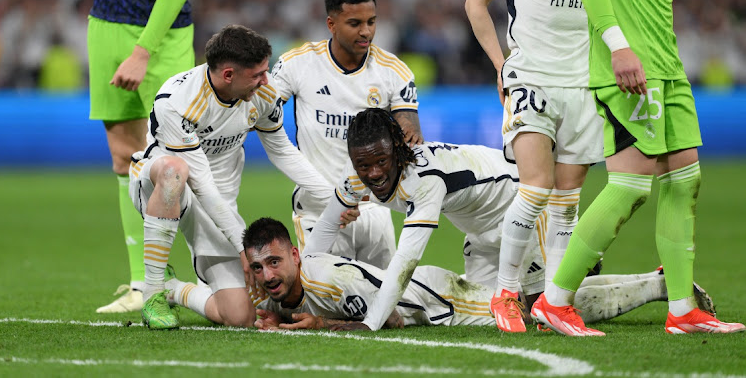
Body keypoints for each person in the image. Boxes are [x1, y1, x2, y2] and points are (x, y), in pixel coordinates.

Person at [530, 0, 745, 336]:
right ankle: (554, 300)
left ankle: (683, 308)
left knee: (686, 179)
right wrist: (618, 47)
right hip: (626, 65)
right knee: (630, 186)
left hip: (667, 64)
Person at [302, 108, 714, 332]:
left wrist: (369, 324)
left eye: (381, 161)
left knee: (543, 310)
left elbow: (405, 264)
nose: (373, 173)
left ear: (398, 149)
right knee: (489, 313)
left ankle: (657, 285)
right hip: (480, 230)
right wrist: (307, 273)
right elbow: (326, 223)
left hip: (522, 206)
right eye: (363, 164)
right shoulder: (359, 175)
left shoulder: (423, 181)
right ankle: (587, 274)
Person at [464, 0, 601, 333]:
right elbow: (476, 3)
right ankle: (505, 294)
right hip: (531, 78)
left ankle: (553, 302)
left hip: (584, 83)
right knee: (536, 186)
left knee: (567, 200)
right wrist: (501, 65)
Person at [128, 25, 333, 329]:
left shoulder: (263, 93)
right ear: (228, 75)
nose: (267, 80)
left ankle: (174, 290)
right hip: (160, 187)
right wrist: (242, 245)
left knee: (239, 317)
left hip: (219, 204)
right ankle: (153, 291)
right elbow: (202, 184)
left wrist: (335, 198)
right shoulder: (177, 101)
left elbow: (282, 151)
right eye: (258, 74)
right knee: (175, 172)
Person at [88, 0, 210, 314]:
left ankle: (208, 276)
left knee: (181, 160)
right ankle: (143, 285)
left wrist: (142, 52)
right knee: (124, 156)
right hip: (105, 26)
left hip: (162, 40)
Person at [246, 220, 712, 332]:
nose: (268, 276)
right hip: (426, 286)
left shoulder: (328, 283)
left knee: (534, 317)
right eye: (258, 267)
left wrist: (325, 324)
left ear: (296, 254)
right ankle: (656, 278)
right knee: (537, 305)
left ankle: (658, 286)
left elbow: (385, 320)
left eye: (274, 262)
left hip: (435, 301)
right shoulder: (286, 288)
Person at [269, 0, 424, 269]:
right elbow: (265, 118)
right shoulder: (296, 64)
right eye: (355, 23)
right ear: (331, 24)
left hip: (373, 208)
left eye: (372, 22)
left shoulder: (394, 70)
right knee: (323, 302)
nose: (366, 31)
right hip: (318, 209)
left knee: (387, 308)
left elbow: (411, 134)